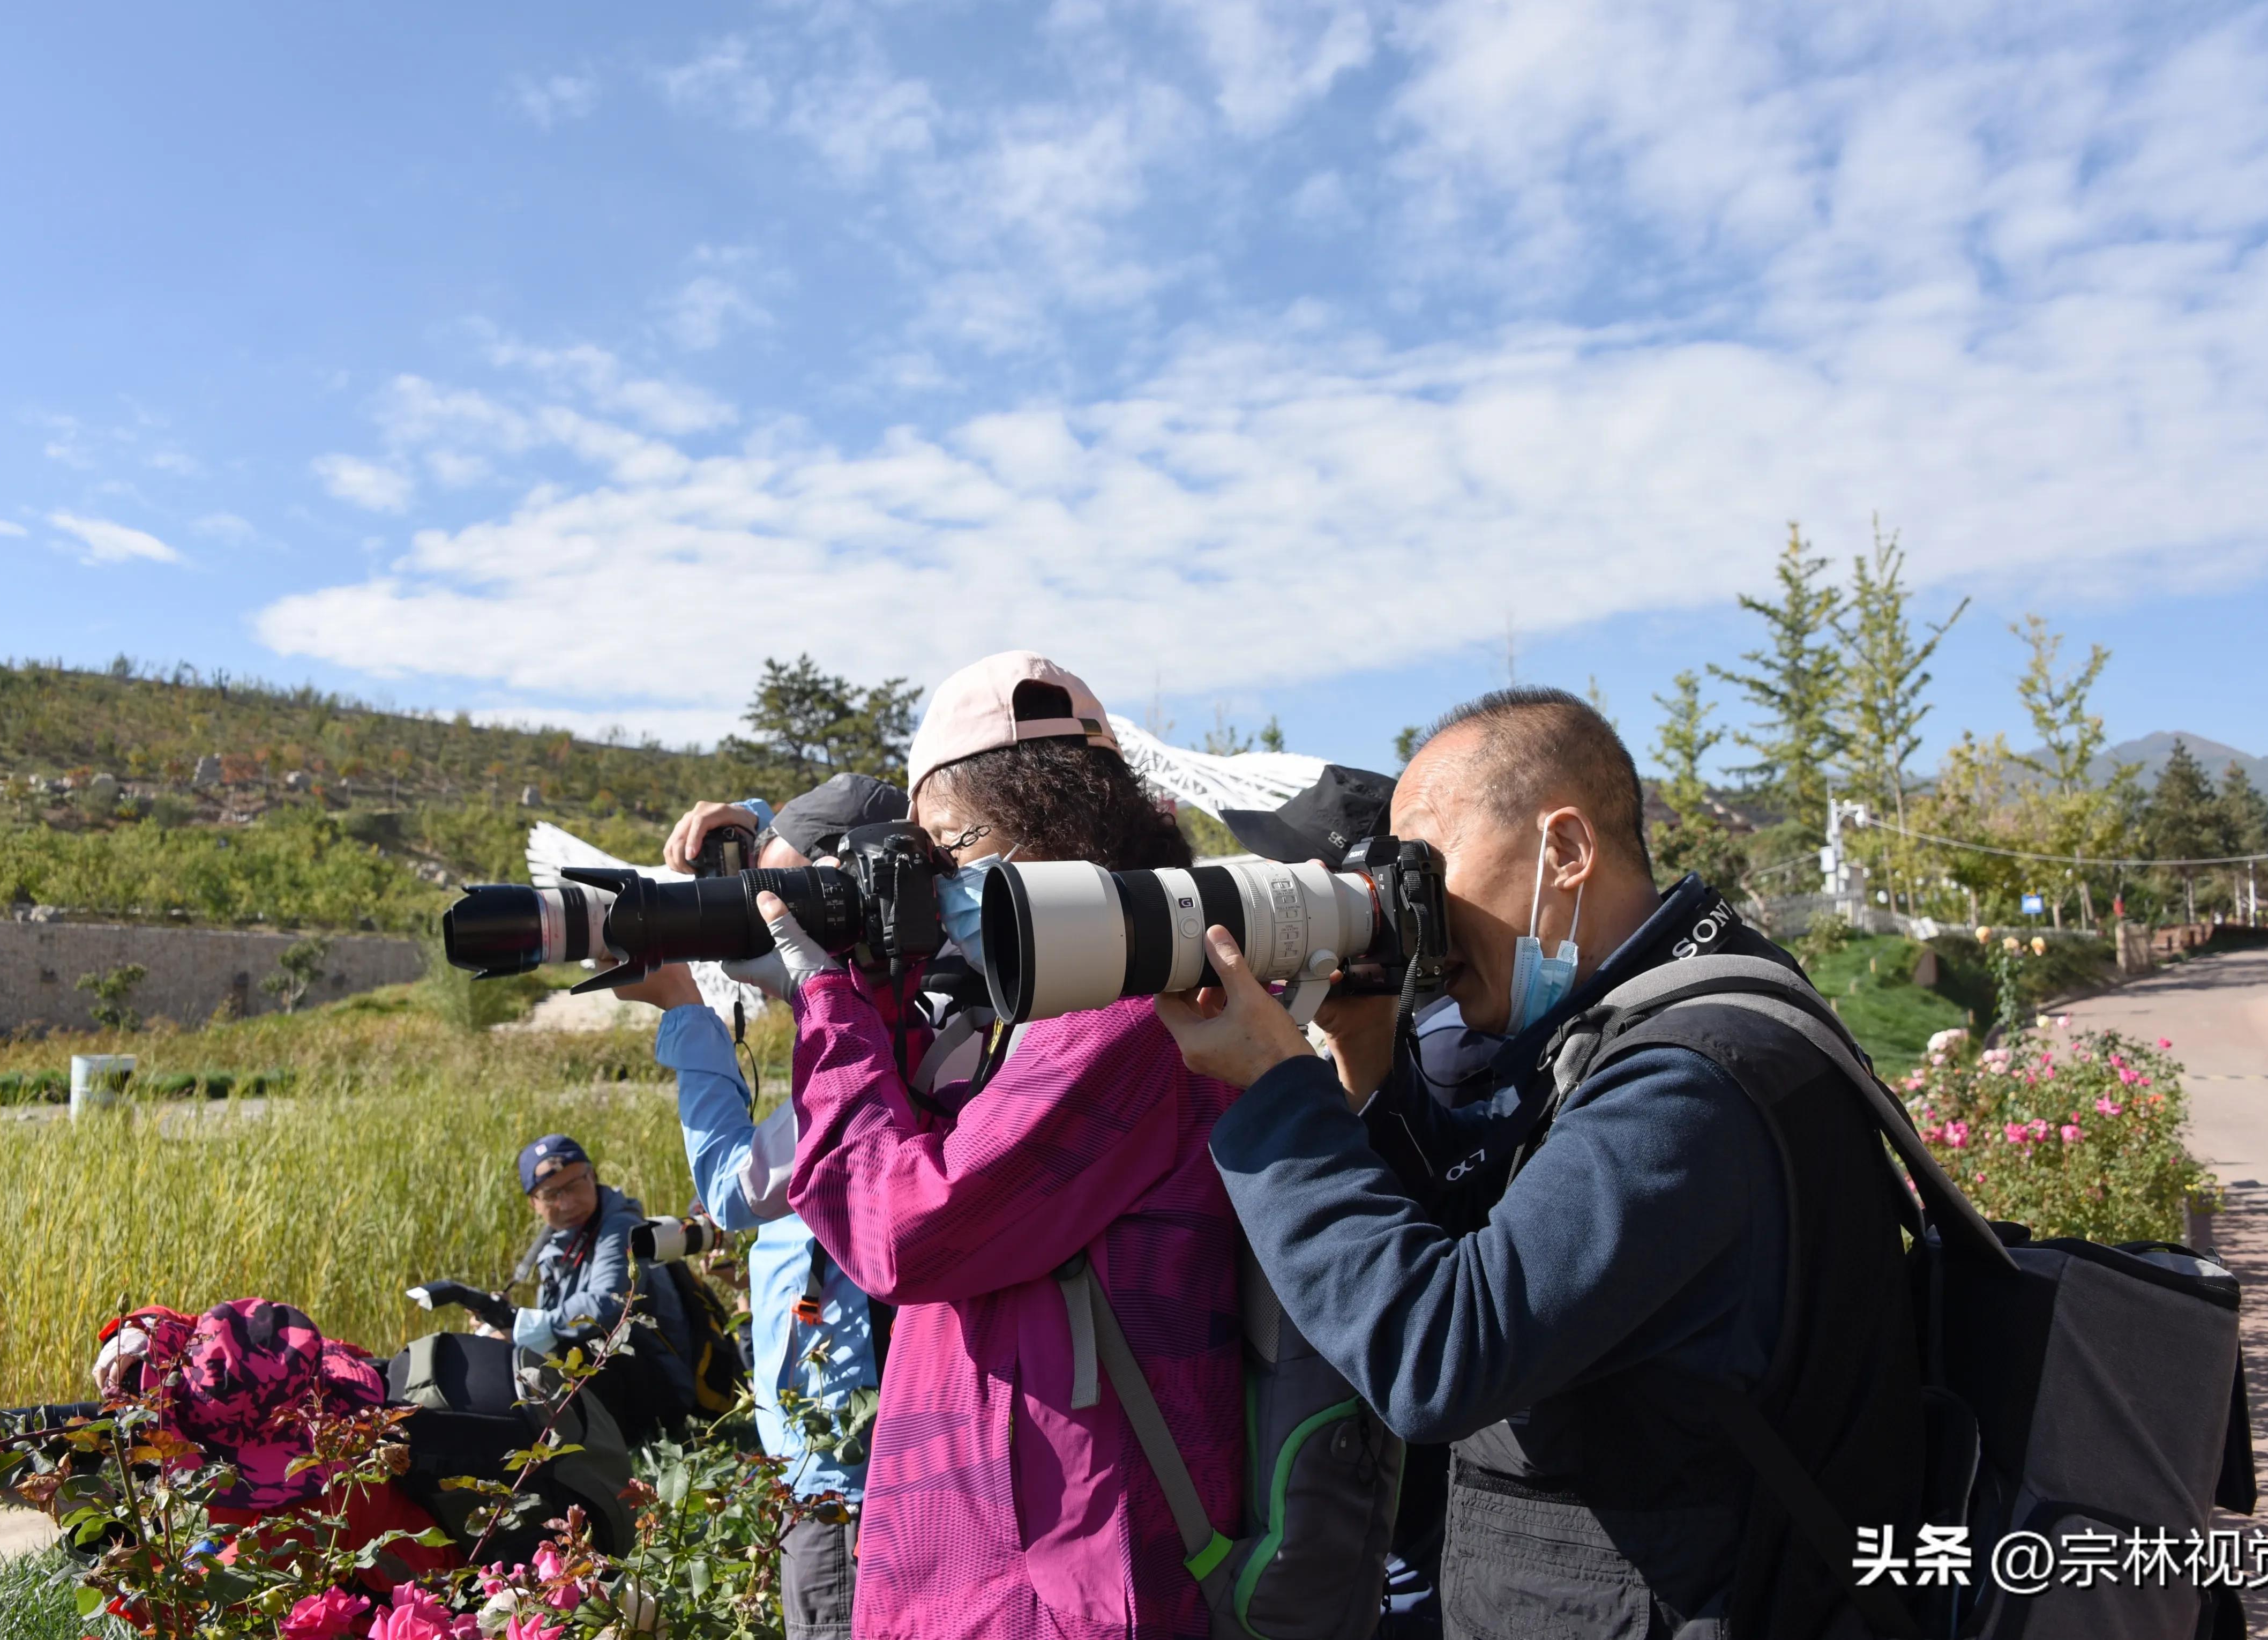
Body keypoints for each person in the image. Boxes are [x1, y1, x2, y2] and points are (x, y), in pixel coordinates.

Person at [1159, 687, 1924, 1639]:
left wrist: (1277, 1091)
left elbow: (1440, 1352)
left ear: (1564, 852)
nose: (1415, 915)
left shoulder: (1690, 1079)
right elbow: (1488, 1239)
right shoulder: (1637, 1032)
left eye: (1424, 869)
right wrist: (1366, 1062)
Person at [733, 651, 1245, 1640]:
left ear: (1039, 825)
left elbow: (905, 1227)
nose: (942, 880)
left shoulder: (1133, 1009)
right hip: (1001, 1562)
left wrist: (831, 1005)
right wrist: (882, 990)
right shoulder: (1059, 1002)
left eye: (948, 847)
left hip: (1056, 1584)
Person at [619, 771, 908, 1640]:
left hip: (848, 1480)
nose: (762, 913)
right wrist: (747, 820)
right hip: (828, 1451)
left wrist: (685, 1010)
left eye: (781, 896)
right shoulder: (915, 1016)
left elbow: (731, 1184)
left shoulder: (882, 1058)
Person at [1224, 762, 1502, 1638]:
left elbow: (1431, 1233)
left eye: (1290, 890)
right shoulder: (1368, 1023)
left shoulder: (1455, 1044)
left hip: (1406, 1501)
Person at [505, 1134, 695, 1443]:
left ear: (592, 1176)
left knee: (577, 1348)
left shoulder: (621, 1226)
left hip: (660, 1391)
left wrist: (523, 1327)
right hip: (626, 1384)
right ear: (534, 1204)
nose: (567, 1203)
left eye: (574, 1186)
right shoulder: (559, 1240)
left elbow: (607, 1305)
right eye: (552, 1194)